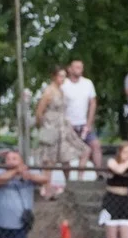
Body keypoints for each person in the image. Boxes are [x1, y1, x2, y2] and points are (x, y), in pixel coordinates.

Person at [35, 65, 90, 194]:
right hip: (51, 126)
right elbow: (39, 112)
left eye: (64, 76)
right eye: (60, 76)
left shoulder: (61, 91)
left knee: (83, 150)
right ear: (54, 76)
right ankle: (47, 189)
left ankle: (75, 182)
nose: (62, 79)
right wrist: (42, 126)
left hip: (63, 126)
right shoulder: (48, 91)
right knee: (49, 160)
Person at [62, 59, 103, 172]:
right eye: (76, 67)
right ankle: (68, 180)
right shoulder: (64, 84)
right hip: (69, 124)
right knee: (66, 153)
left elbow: (93, 103)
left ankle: (99, 173)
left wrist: (89, 123)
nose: (80, 70)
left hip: (84, 123)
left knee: (95, 145)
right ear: (69, 69)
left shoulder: (87, 83)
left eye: (81, 67)